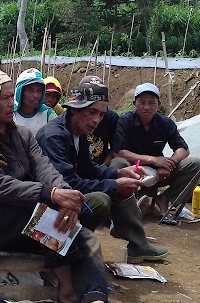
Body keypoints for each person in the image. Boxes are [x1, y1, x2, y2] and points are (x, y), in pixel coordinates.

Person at [0, 69, 158, 303]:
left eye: (9, 96)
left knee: (80, 234)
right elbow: (0, 187)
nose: (11, 103)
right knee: (38, 208)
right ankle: (75, 293)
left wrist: (63, 194)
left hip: (21, 216)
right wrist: (51, 196)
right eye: (4, 98)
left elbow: (46, 170)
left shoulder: (23, 136)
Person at [36, 76, 169, 263]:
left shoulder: (78, 132)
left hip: (66, 196)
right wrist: (115, 184)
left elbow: (87, 168)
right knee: (101, 200)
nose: (96, 120)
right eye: (92, 112)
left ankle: (137, 245)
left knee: (115, 185)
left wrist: (117, 173)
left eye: (101, 114)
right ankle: (72, 246)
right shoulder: (54, 137)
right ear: (74, 109)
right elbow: (69, 183)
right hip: (46, 203)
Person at [111, 83, 200, 225]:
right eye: (142, 102)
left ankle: (165, 199)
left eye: (151, 103)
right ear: (134, 103)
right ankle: (128, 204)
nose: (146, 107)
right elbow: (119, 152)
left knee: (194, 164)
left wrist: (168, 164)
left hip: (159, 174)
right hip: (134, 170)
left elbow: (183, 149)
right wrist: (153, 160)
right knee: (118, 164)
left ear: (159, 105)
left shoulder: (166, 123)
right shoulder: (125, 121)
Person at [13, 68, 57, 134]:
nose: (36, 95)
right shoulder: (11, 114)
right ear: (20, 92)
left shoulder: (47, 114)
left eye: (39, 90)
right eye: (30, 90)